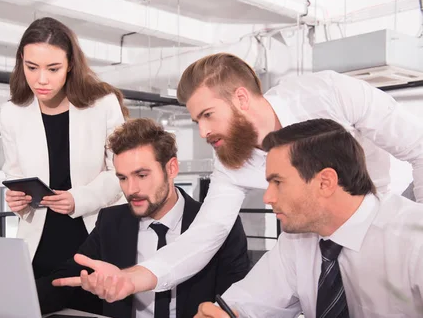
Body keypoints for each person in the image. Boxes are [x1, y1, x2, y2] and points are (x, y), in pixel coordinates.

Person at [55, 52, 423, 304]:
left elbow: (418, 148)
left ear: (242, 99)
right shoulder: (230, 160)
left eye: (208, 115)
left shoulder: (330, 92)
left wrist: (417, 237)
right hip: (313, 235)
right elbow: (205, 235)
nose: (202, 132)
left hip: (383, 214)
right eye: (197, 120)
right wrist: (132, 278)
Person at [192, 119, 423, 318]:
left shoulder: (414, 238)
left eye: (277, 182)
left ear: (325, 182)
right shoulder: (297, 240)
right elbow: (251, 307)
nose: (267, 197)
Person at [42, 118, 250, 318]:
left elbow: (238, 306)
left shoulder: (218, 225)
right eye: (122, 178)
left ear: (171, 168)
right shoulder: (111, 222)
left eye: (141, 175)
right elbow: (66, 277)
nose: (131, 189)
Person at [0, 17, 127, 305]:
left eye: (53, 68)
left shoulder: (103, 104)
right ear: (21, 62)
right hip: (38, 244)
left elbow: (119, 173)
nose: (41, 79)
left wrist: (77, 199)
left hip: (92, 239)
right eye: (31, 67)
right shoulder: (12, 112)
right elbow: (14, 173)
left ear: (70, 64)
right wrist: (16, 200)